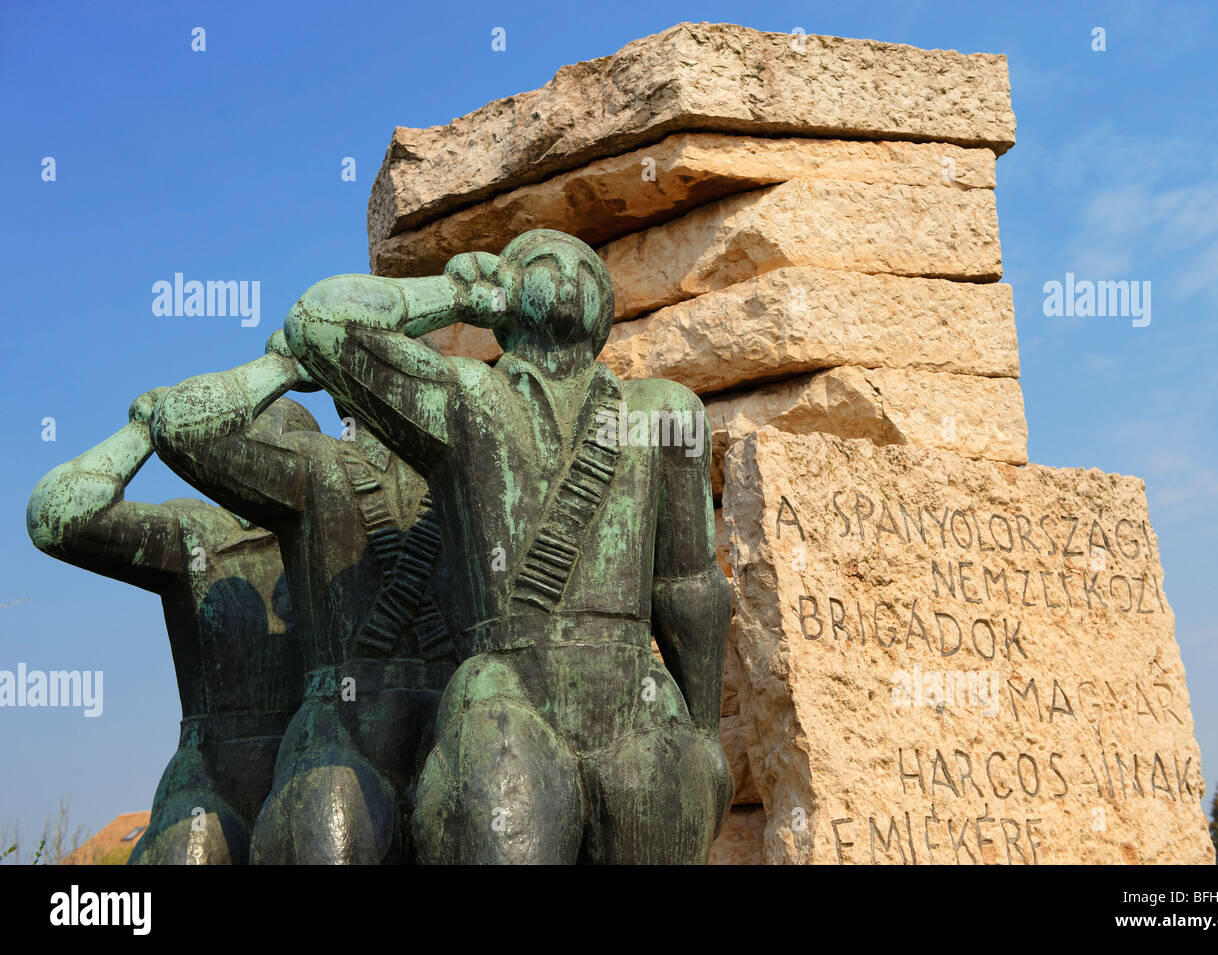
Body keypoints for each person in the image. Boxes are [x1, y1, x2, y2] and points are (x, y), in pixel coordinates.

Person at [284, 229, 732, 864]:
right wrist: (462, 294)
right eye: (542, 262)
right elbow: (320, 322)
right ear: (505, 296)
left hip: (636, 690)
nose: (570, 269)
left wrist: (709, 733)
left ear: (605, 312)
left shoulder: (665, 409)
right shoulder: (468, 395)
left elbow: (689, 585)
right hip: (507, 680)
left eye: (587, 266)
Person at [151, 332, 456, 864]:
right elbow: (182, 430)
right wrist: (284, 367)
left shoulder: (465, 464)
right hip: (342, 735)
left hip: (448, 715)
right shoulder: (317, 465)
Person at [27, 387, 304, 864]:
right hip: (217, 780)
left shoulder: (348, 530)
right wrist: (143, 433)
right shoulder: (195, 532)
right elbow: (64, 518)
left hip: (309, 761)